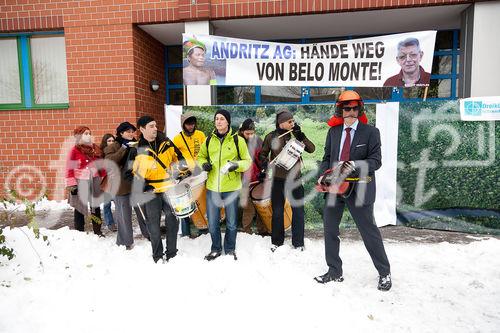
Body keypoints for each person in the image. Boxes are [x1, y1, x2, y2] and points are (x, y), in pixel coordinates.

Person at [314, 90, 392, 291]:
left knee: (369, 232)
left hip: (359, 188)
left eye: (354, 108)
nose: (350, 111)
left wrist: (353, 165)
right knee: (330, 230)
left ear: (359, 109)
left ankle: (384, 273)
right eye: (346, 108)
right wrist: (323, 175)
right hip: (334, 188)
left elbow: (376, 161)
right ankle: (334, 271)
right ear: (340, 110)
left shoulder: (371, 132)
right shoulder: (334, 132)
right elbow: (326, 158)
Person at [197, 109, 251, 261]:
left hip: (232, 188)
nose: (218, 121)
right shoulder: (208, 140)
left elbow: (247, 161)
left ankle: (229, 249)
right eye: (216, 119)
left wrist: (236, 165)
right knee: (213, 222)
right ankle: (215, 249)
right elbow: (200, 157)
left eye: (222, 119)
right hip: (213, 187)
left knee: (232, 222)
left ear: (228, 121)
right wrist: (204, 164)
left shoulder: (237, 140)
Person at [259, 110, 315, 251]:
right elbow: (263, 154)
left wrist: (301, 137)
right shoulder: (270, 136)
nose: (292, 123)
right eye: (289, 121)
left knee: (298, 212)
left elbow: (311, 149)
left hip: (295, 179)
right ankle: (276, 243)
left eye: (293, 121)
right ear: (281, 123)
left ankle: (298, 243)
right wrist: (265, 162)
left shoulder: (295, 135)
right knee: (277, 212)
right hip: (278, 180)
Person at [132, 116, 186, 263]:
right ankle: (157, 255)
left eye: (156, 125)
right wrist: (143, 185)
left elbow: (180, 160)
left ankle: (172, 253)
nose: (155, 128)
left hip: (169, 189)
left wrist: (180, 174)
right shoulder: (137, 150)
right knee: (153, 225)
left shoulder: (167, 143)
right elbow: (130, 174)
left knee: (172, 220)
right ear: (142, 129)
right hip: (151, 193)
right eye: (151, 126)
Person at [104, 122, 150, 250]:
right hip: (121, 186)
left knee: (143, 211)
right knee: (124, 215)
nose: (131, 134)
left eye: (132, 131)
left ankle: (150, 234)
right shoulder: (113, 147)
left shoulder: (137, 144)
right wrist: (123, 148)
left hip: (136, 183)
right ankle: (125, 241)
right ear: (121, 133)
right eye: (128, 131)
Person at [66, 126, 105, 236]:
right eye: (85, 133)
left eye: (89, 133)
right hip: (80, 181)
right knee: (80, 207)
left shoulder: (95, 149)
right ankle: (80, 232)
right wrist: (72, 185)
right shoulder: (74, 151)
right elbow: (70, 169)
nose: (88, 135)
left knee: (95, 207)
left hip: (95, 180)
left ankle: (97, 230)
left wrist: (104, 178)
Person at [173, 112, 206, 237]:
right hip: (186, 175)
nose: (191, 126)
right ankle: (186, 233)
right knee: (186, 203)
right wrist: (183, 171)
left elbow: (205, 151)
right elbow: (175, 157)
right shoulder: (177, 139)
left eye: (192, 123)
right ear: (183, 124)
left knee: (201, 202)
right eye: (188, 124)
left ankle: (203, 229)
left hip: (200, 173)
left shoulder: (201, 134)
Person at [237, 118, 267, 235]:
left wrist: (264, 171)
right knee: (248, 208)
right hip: (243, 179)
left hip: (258, 178)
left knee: (260, 206)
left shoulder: (259, 140)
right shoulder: (237, 141)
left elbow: (263, 157)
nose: (250, 136)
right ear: (242, 131)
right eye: (247, 133)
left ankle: (263, 230)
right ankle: (246, 231)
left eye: (252, 133)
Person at [99, 133, 117, 232]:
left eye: (112, 141)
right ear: (105, 142)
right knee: (106, 204)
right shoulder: (102, 154)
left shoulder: (116, 151)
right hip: (106, 182)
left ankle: (120, 222)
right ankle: (110, 223)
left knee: (118, 203)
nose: (111, 143)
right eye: (109, 141)